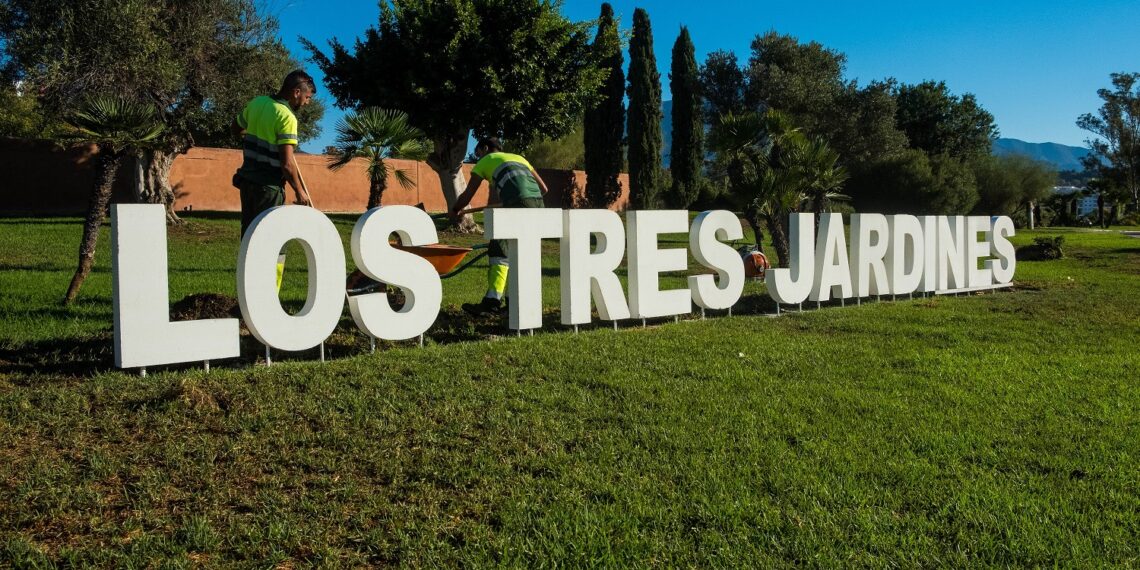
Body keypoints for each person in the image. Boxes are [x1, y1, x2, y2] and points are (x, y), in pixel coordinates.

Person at [231, 70, 316, 290]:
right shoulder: (287, 117)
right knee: (272, 240)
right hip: (268, 188)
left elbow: (235, 127)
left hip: (247, 182)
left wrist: (252, 141)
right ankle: (270, 292)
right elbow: (287, 164)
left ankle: (247, 289)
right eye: (307, 97)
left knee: (249, 237)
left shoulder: (257, 103)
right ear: (296, 92)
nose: (307, 103)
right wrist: (300, 191)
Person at [449, 137, 550, 316]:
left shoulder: (486, 160)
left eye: (478, 153)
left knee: (499, 249)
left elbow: (468, 194)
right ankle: (513, 303)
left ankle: (492, 302)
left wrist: (455, 209)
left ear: (485, 148)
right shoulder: (519, 158)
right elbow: (544, 189)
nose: (478, 157)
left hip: (518, 204)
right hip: (538, 206)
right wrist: (517, 200)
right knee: (518, 253)